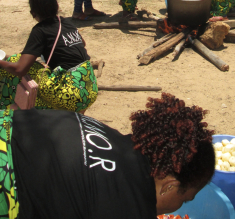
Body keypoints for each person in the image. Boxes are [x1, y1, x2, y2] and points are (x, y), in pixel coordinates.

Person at [0, 92, 215, 218]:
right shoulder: (129, 206)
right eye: (186, 200)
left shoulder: (114, 138)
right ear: (169, 186)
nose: (180, 206)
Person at [0, 0, 98, 112]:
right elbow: (82, 43)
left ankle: (6, 111)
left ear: (33, 12)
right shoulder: (65, 22)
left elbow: (20, 69)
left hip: (72, 94)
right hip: (90, 89)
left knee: (13, 63)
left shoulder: (40, 31)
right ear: (56, 6)